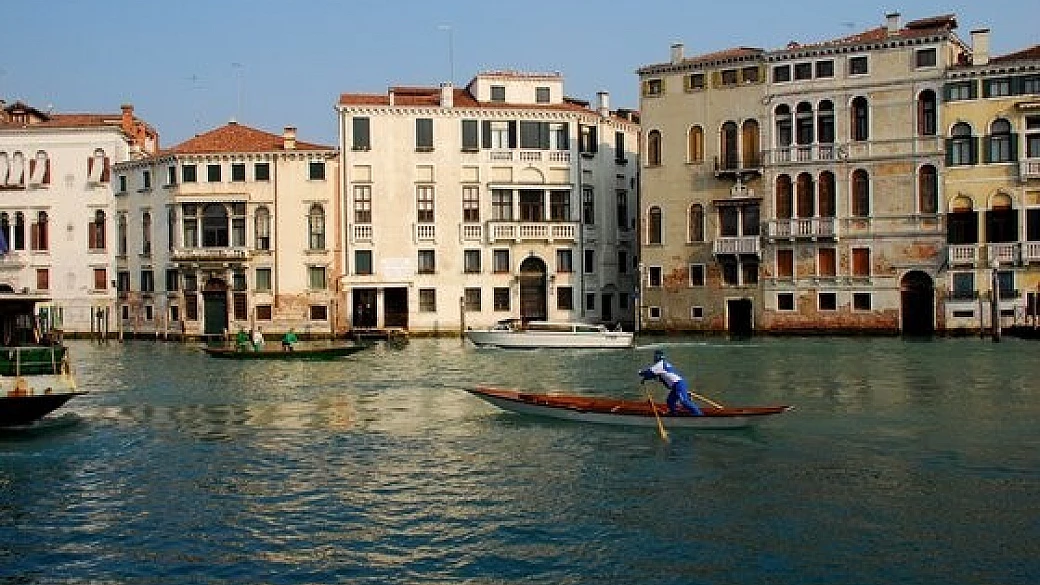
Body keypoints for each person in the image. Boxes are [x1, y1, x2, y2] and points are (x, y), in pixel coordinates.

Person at [639, 349, 702, 416]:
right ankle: (674, 414)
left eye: (655, 356)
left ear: (657, 357)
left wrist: (640, 373)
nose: (654, 358)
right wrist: (645, 379)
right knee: (670, 401)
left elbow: (648, 372)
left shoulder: (660, 365)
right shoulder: (664, 364)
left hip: (678, 384)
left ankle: (698, 414)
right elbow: (654, 375)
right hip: (677, 385)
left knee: (684, 401)